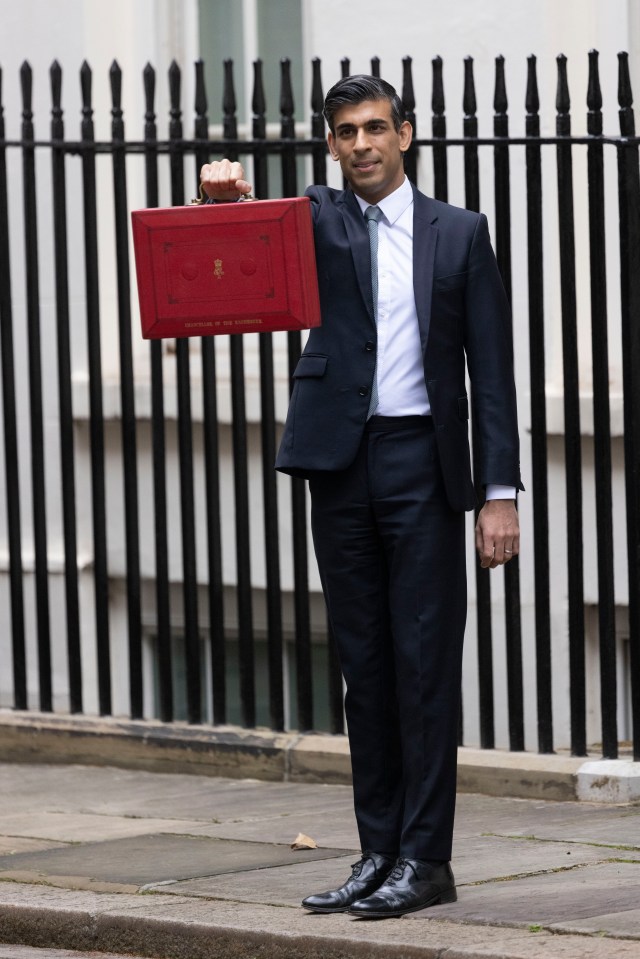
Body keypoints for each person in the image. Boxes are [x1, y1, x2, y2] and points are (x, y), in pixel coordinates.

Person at [200, 74, 523, 919]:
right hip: (341, 467)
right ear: (332, 146)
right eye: (346, 133)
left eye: (377, 128)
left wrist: (498, 495)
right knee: (364, 669)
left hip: (423, 463)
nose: (363, 144)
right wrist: (218, 191)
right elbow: (225, 250)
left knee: (423, 671)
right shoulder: (314, 220)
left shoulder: (459, 234)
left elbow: (490, 374)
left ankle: (427, 858)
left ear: (406, 134)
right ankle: (378, 851)